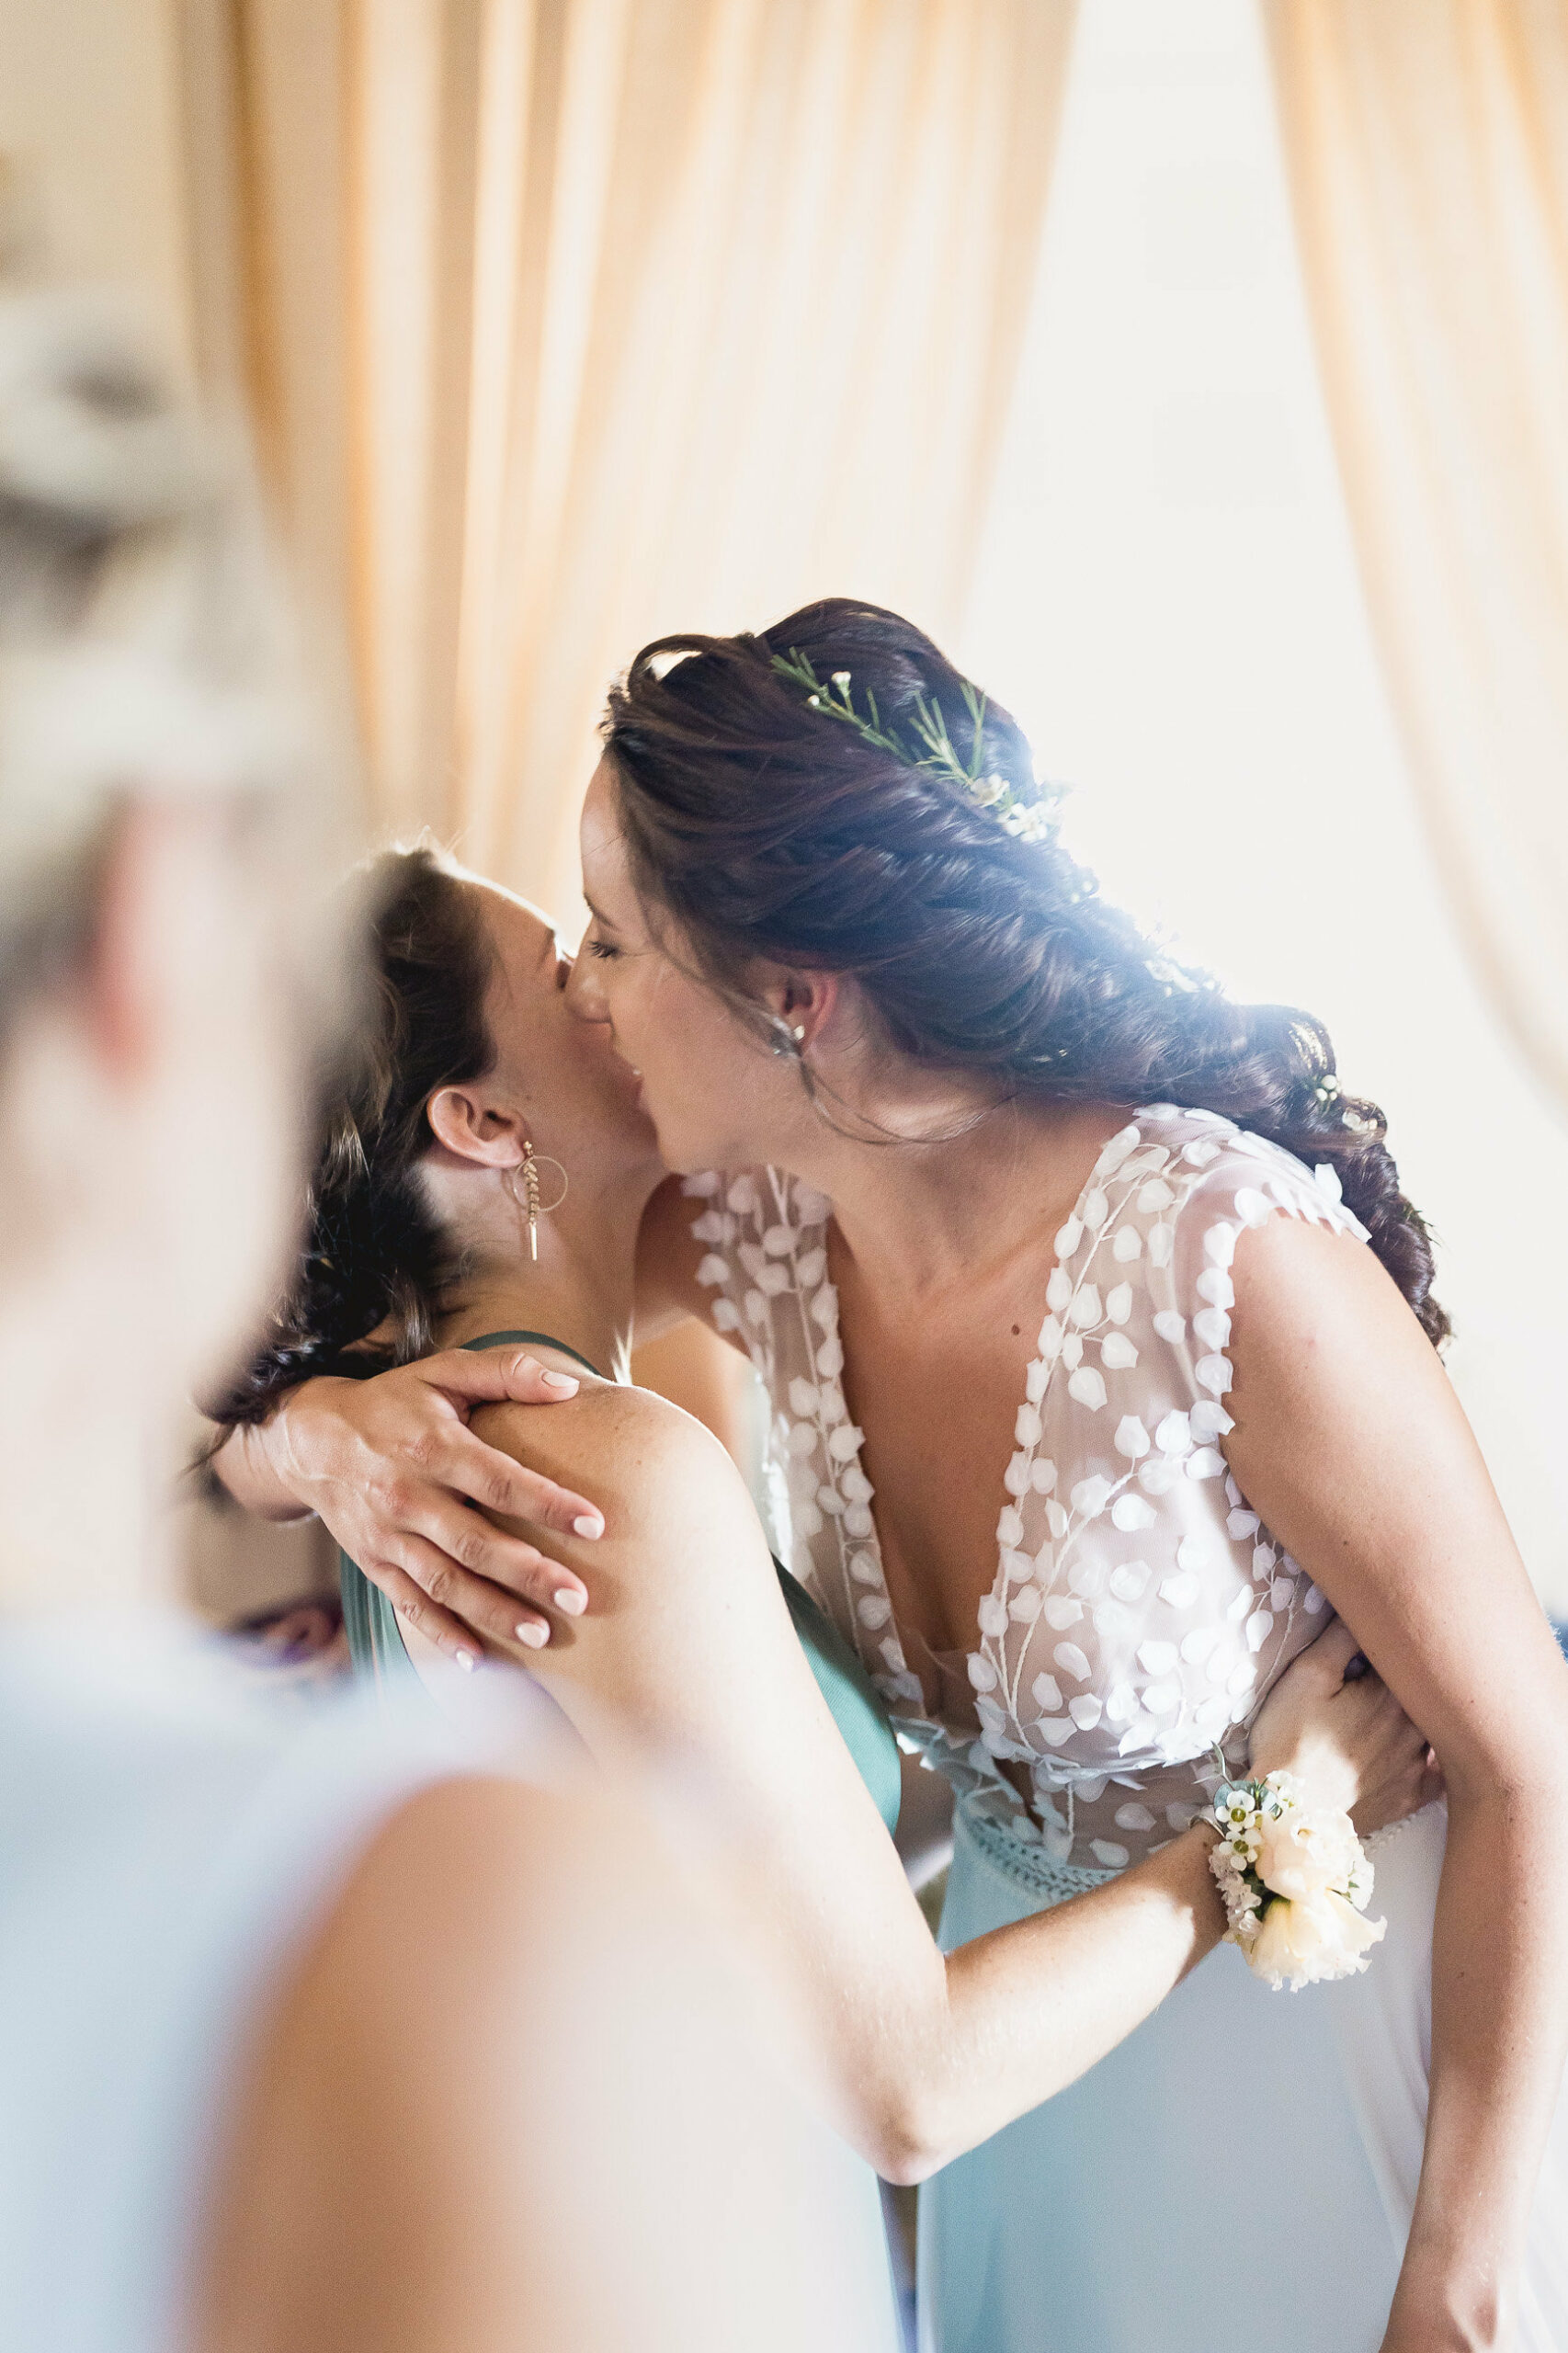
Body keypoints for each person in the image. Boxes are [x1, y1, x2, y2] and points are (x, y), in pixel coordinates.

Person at [222, 600, 1568, 2353]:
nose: (596, 998)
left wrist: (1454, 2288)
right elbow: (250, 1314)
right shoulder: (730, 1222)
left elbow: (1524, 1758)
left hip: (1348, 2076)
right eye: (576, 959)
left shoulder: (1221, 1254)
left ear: (796, 1000)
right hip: (1025, 2118)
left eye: (614, 947)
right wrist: (316, 1435)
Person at [0, 299, 901, 2353]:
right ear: (155, 929)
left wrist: (305, 1418)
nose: (609, 989)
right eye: (570, 956)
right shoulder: (454, 1941)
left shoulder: (615, 1318)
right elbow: (891, 2073)